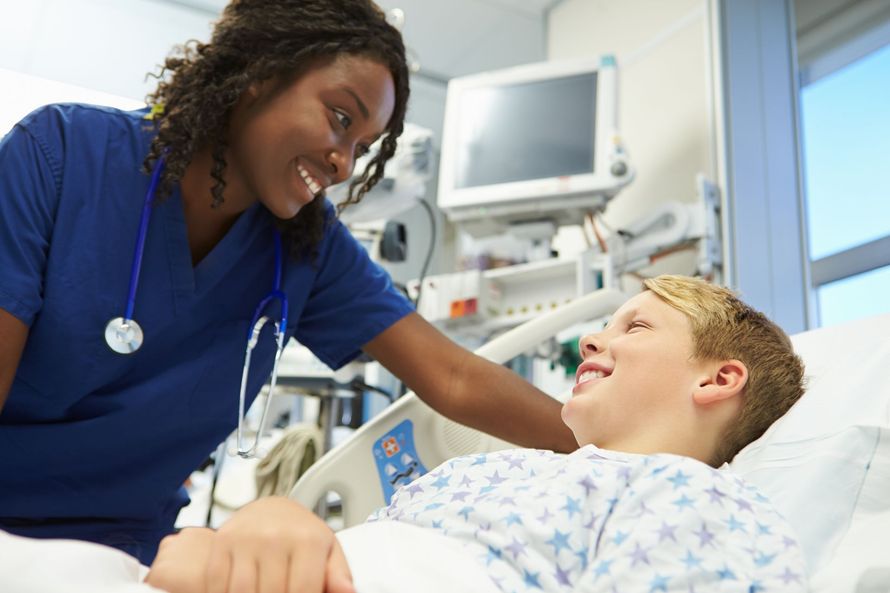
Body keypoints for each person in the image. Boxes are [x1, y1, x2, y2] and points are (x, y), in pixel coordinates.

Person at [0, 0, 575, 567]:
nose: (345, 164)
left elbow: (453, 376)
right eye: (341, 119)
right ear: (259, 73)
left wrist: (626, 448)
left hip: (129, 555)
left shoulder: (305, 245)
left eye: (362, 148)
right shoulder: (61, 156)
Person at [142, 274, 809, 593]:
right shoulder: (489, 471)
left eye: (634, 327)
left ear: (719, 379)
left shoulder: (695, 497)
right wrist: (270, 525)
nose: (589, 338)